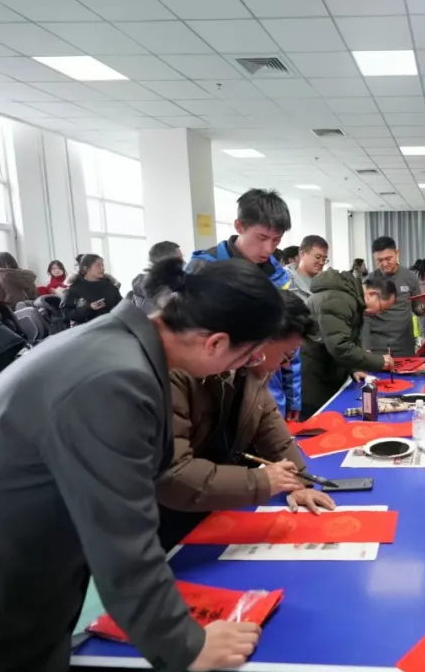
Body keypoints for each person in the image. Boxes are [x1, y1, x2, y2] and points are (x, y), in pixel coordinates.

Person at [0, 258, 286, 672]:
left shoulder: (118, 346)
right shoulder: (115, 378)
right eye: (247, 355)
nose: (242, 367)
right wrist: (186, 643)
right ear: (216, 343)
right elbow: (122, 534)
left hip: (10, 577)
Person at [157, 291, 334, 550]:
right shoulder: (180, 370)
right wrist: (262, 482)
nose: (285, 365)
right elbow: (174, 473)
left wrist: (299, 482)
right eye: (285, 355)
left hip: (211, 496)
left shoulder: (252, 370)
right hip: (165, 512)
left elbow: (270, 425)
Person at [187, 189, 301, 420]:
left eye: (276, 240)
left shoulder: (279, 277)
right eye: (261, 238)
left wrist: (293, 394)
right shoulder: (204, 269)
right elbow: (186, 340)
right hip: (217, 396)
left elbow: (289, 341)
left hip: (270, 392)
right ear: (239, 226)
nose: (269, 249)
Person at [301, 272, 396, 416]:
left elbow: (343, 337)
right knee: (318, 422)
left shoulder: (351, 300)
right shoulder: (340, 300)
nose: (378, 313)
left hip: (326, 369)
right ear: (372, 294)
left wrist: (354, 368)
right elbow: (340, 346)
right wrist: (380, 361)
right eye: (382, 308)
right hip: (315, 375)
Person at [365, 236, 425, 358]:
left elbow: (417, 309)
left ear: (397, 253)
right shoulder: (369, 281)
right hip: (378, 347)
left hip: (404, 345)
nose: (384, 264)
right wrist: (366, 348)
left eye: (388, 258)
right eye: (379, 260)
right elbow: (365, 318)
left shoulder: (410, 277)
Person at [61, 253, 123, 325]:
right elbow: (67, 314)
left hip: (110, 327)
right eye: (98, 265)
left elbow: (121, 307)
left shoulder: (110, 287)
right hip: (85, 329)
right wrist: (88, 307)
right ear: (86, 268)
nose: (102, 268)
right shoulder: (73, 289)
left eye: (102, 265)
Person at [130, 241, 182, 314]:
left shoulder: (166, 285)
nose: (184, 263)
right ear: (164, 262)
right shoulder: (157, 293)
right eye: (179, 259)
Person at [286, 235, 328, 301]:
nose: (321, 263)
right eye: (318, 257)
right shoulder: (285, 279)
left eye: (324, 259)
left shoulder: (325, 282)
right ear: (302, 254)